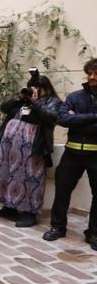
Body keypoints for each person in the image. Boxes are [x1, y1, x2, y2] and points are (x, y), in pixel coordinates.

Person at [0, 75, 60, 227]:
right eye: (31, 87)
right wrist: (18, 97)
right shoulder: (22, 100)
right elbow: (4, 108)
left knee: (31, 178)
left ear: (45, 89)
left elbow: (51, 117)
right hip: (10, 148)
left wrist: (35, 102)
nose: (33, 91)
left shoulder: (54, 102)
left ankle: (30, 213)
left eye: (37, 88)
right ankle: (9, 207)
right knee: (7, 173)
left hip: (34, 148)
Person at [43, 58, 97, 250]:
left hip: (95, 156)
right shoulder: (75, 96)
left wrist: (77, 119)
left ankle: (93, 234)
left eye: (96, 74)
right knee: (62, 191)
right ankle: (58, 227)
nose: (92, 77)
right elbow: (63, 118)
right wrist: (92, 118)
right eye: (89, 73)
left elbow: (72, 120)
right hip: (72, 153)